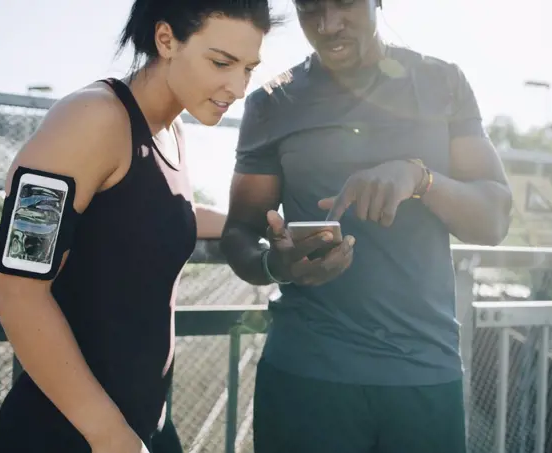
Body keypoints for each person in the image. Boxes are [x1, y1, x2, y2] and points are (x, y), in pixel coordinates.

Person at [220, 0, 513, 452]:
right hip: (306, 377)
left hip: (424, 373)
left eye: (344, 5)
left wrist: (419, 177)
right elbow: (238, 233)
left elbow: (494, 220)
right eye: (310, 9)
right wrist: (277, 266)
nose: (328, 25)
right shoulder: (271, 102)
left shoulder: (442, 82)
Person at [0, 1, 279, 452]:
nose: (238, 87)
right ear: (166, 40)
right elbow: (15, 291)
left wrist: (256, 227)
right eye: (221, 63)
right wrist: (109, 436)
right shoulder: (89, 120)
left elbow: (152, 213)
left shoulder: (170, 129)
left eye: (248, 68)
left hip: (146, 426)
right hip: (71, 434)